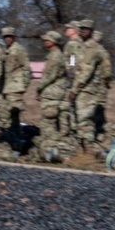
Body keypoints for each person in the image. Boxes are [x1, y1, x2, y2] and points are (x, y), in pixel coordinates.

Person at [35, 31, 74, 163]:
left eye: (47, 39)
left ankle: (53, 153)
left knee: (48, 124)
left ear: (53, 42)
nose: (44, 41)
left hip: (52, 95)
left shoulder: (55, 57)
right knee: (58, 125)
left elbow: (48, 76)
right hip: (57, 93)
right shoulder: (57, 55)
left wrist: (38, 88)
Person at [68, 19, 105, 155]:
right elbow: (72, 65)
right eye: (81, 28)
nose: (83, 31)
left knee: (85, 121)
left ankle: (89, 151)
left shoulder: (92, 48)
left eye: (86, 29)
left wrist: (74, 89)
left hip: (86, 90)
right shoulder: (78, 46)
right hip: (76, 88)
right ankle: (81, 151)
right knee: (76, 120)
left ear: (91, 31)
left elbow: (85, 72)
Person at [0, 26, 31, 132]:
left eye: (10, 36)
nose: (7, 39)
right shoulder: (5, 50)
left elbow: (26, 68)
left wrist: (23, 85)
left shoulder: (18, 49)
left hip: (15, 87)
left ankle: (15, 137)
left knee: (12, 112)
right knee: (11, 115)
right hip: (6, 87)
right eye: (5, 37)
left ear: (14, 37)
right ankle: (13, 135)